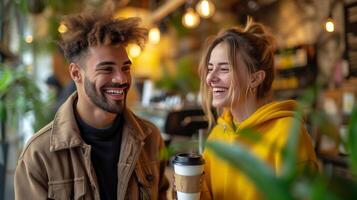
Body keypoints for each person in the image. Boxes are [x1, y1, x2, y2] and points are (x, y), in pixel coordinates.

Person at [14, 11, 169, 200]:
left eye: (125, 68)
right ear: (76, 73)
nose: (121, 78)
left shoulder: (151, 139)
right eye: (106, 69)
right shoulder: (39, 155)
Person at [198, 18, 318, 200]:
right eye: (210, 69)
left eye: (223, 69)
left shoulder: (288, 135)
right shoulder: (217, 135)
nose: (210, 79)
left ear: (255, 78)